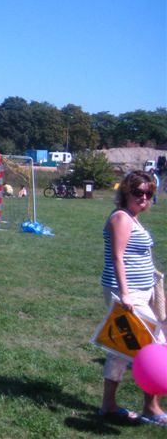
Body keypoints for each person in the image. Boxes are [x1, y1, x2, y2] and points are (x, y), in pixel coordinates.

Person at [98, 171, 165, 426]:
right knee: (156, 346)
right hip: (127, 293)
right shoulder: (121, 218)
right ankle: (151, 406)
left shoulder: (134, 218)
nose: (144, 198)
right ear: (126, 191)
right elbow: (118, 257)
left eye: (149, 193)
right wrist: (125, 293)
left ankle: (108, 405)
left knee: (120, 349)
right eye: (138, 192)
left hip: (143, 291)